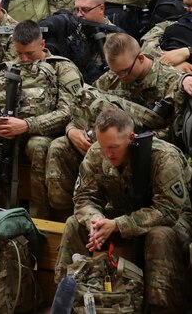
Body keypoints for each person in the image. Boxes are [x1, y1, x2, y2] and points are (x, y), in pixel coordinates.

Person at [54, 106, 191, 312]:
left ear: (131, 137)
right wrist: (96, 221)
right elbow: (83, 198)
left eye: (114, 147)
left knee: (159, 236)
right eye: (103, 146)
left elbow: (168, 211)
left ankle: (160, 307)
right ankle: (66, 297)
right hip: (121, 213)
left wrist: (118, 225)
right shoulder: (98, 152)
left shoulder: (163, 157)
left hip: (173, 221)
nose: (107, 153)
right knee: (74, 224)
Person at [0, 20, 82, 217]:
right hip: (6, 134)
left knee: (38, 146)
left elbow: (69, 113)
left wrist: (27, 125)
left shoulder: (61, 68)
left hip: (43, 135)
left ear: (42, 45)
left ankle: (40, 217)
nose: (24, 58)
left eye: (30, 54)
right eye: (19, 53)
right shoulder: (7, 69)